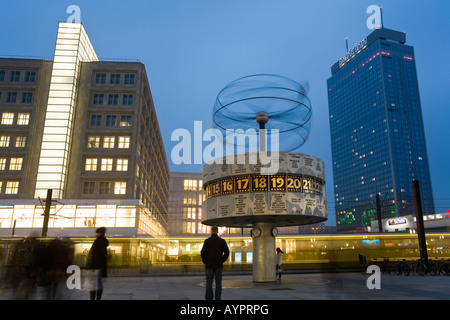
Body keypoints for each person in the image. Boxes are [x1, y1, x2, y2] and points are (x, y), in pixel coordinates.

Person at [200, 226, 229, 300]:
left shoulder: (207, 241)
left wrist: (205, 261)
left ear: (211, 231)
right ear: (217, 231)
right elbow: (227, 252)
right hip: (218, 265)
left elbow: (202, 252)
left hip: (209, 264)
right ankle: (218, 298)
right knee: (218, 283)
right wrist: (222, 260)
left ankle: (209, 298)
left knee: (209, 282)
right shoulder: (222, 241)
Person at [86, 227, 109, 300]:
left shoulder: (97, 242)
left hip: (94, 266)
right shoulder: (104, 242)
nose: (95, 234)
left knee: (92, 284)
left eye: (96, 233)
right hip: (101, 267)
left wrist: (90, 265)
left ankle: (92, 298)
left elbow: (93, 255)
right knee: (99, 283)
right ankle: (98, 298)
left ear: (99, 233)